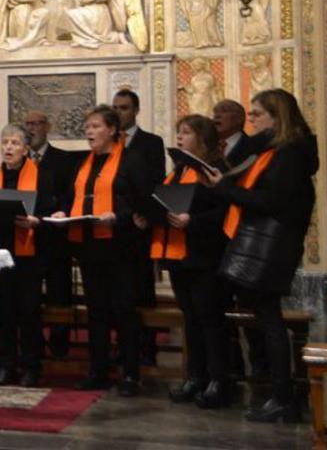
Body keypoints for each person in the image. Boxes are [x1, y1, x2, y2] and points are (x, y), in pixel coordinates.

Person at [200, 88, 318, 423]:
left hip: (273, 246)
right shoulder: (271, 148)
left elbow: (272, 202)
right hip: (264, 244)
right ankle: (279, 393)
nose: (249, 119)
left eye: (256, 114)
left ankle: (283, 396)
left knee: (270, 321)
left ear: (277, 116)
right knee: (267, 320)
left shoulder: (290, 153)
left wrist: (225, 189)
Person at [50, 105, 150, 396]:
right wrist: (61, 211)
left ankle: (130, 374)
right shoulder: (84, 162)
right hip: (90, 245)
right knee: (97, 312)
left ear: (112, 130)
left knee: (124, 311)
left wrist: (118, 216)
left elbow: (142, 199)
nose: (89, 131)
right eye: (87, 126)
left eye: (95, 126)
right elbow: (73, 196)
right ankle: (98, 371)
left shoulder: (132, 160)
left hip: (121, 246)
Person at [137, 115, 232, 408]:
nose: (179, 137)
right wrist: (148, 215)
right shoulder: (178, 170)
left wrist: (193, 221)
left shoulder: (217, 171)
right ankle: (196, 376)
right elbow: (165, 202)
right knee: (191, 319)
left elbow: (226, 212)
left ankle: (220, 380)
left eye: (187, 132)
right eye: (178, 132)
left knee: (210, 320)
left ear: (202, 138)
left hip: (205, 255)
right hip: (180, 257)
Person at [0, 124, 56, 387]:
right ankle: (5, 365)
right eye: (5, 143)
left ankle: (31, 366)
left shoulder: (42, 176)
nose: (8, 148)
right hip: (0, 250)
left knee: (28, 312)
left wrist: (37, 221)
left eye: (14, 143)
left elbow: (51, 210)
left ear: (26, 149)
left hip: (29, 254)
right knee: (3, 313)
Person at [211, 98, 265, 380]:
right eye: (214, 112)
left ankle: (260, 367)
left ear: (240, 117)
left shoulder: (252, 147)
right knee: (220, 306)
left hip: (243, 236)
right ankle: (231, 368)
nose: (216, 115)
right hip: (214, 239)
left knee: (249, 305)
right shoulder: (210, 150)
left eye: (223, 111)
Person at [112, 88, 165, 365]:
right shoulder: (108, 145)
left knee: (142, 288)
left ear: (135, 110)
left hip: (139, 224)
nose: (119, 112)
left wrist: (143, 213)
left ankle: (147, 346)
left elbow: (154, 183)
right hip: (116, 226)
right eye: (116, 108)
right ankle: (122, 345)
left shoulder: (150, 142)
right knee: (120, 294)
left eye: (124, 108)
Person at [24, 110, 76, 359]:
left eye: (37, 123)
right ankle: (32, 346)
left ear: (47, 126)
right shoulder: (21, 160)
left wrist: (61, 210)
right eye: (28, 124)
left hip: (54, 238)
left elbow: (69, 194)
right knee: (29, 296)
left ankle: (59, 345)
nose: (32, 128)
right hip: (27, 238)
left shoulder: (63, 159)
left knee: (59, 292)